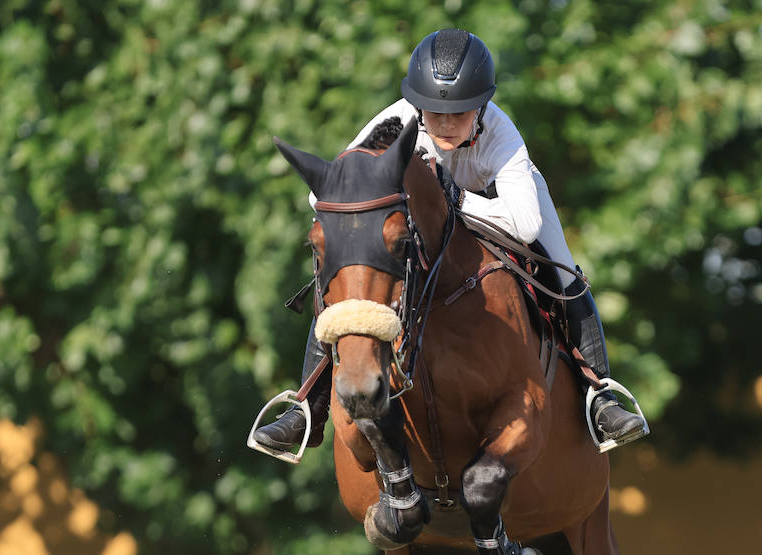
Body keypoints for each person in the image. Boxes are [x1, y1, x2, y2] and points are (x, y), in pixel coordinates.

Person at [253, 28, 648, 456]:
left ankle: (600, 397)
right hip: (418, 220)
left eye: (457, 113)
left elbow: (525, 223)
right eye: (433, 112)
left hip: (497, 205)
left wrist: (455, 198)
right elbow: (322, 194)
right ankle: (306, 409)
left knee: (564, 269)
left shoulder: (502, 134)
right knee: (350, 277)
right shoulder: (394, 122)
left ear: (481, 106)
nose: (443, 123)